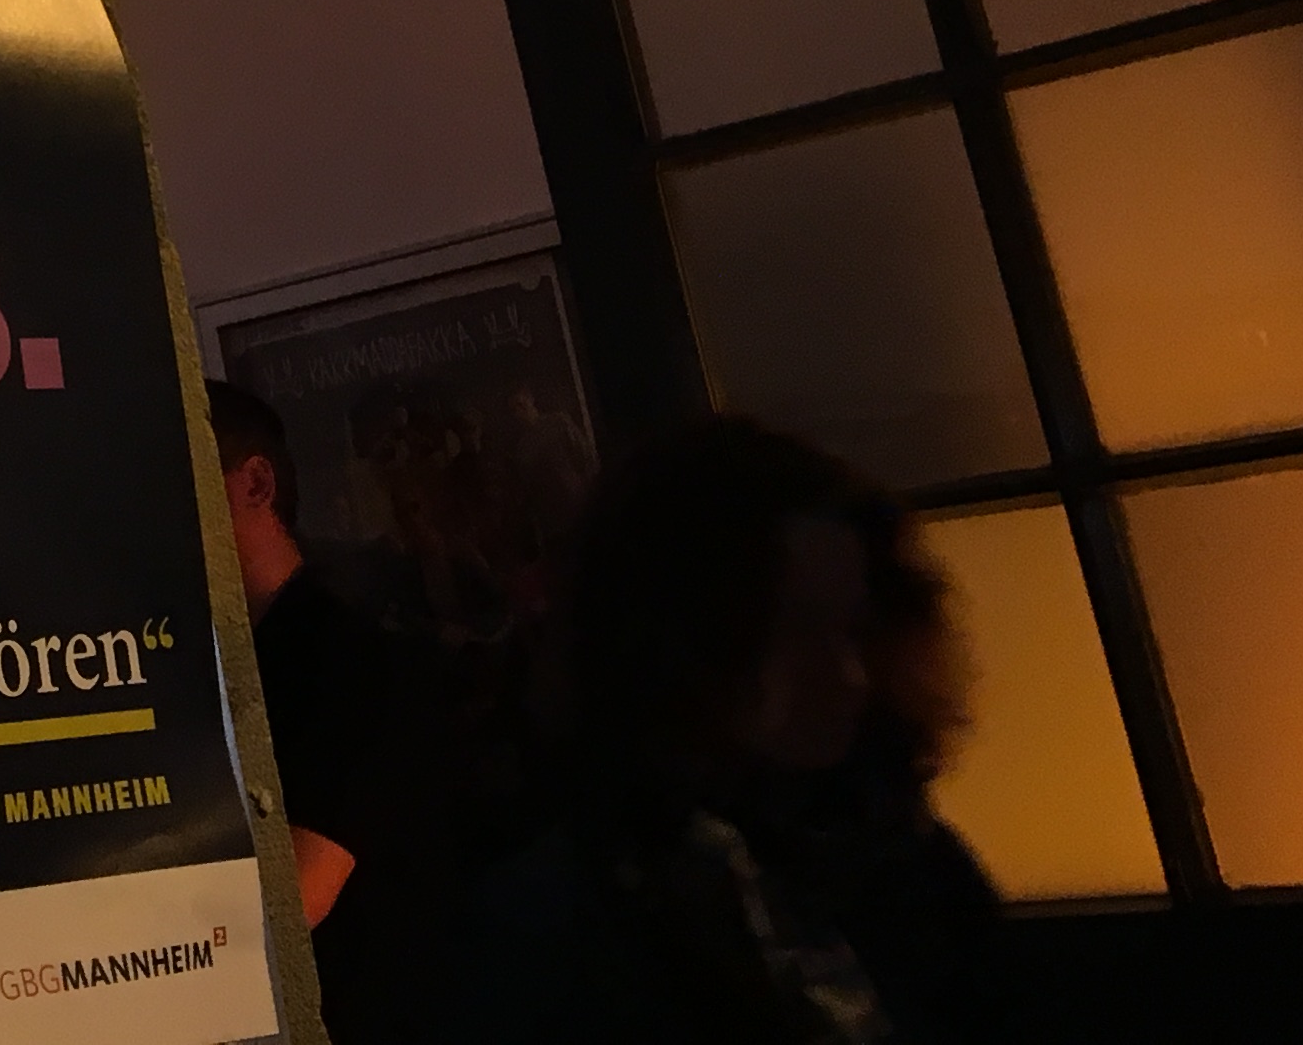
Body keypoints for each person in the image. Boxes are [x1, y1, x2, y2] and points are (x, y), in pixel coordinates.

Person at [460, 419, 1002, 1045]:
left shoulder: (909, 861)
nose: (850, 674)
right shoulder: (562, 919)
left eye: (856, 628)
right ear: (681, 644)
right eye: (794, 631)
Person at [206, 380, 455, 1044]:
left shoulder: (351, 656)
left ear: (255, 485)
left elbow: (293, 897)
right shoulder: (228, 659)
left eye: (174, 484)